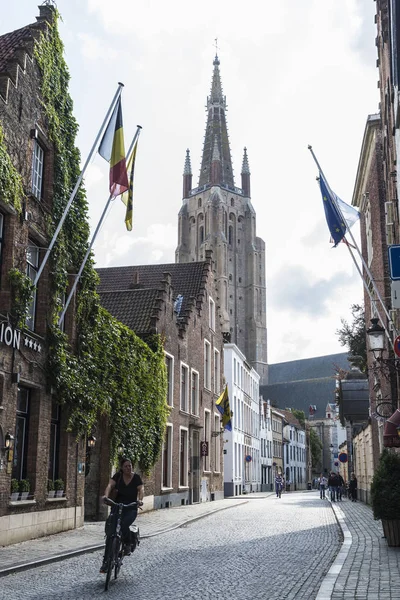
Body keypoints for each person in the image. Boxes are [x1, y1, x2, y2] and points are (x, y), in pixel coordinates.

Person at [100, 457, 144, 573]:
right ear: (122, 468)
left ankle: (128, 543)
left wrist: (139, 500)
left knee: (124, 525)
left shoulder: (136, 478)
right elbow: (109, 486)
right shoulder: (118, 477)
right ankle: (105, 562)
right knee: (111, 534)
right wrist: (105, 496)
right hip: (117, 506)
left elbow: (141, 489)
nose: (128, 468)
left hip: (130, 508)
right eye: (126, 466)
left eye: (130, 466)